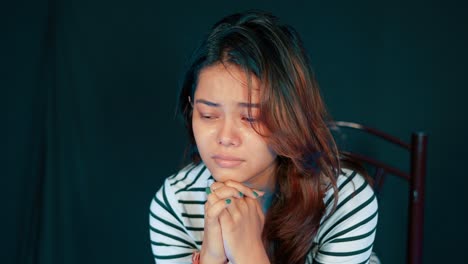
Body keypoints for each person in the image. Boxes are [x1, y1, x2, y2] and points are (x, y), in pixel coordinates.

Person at [149, 10, 378, 264]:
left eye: (250, 118)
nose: (225, 137)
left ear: (288, 117)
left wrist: (248, 253)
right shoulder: (176, 203)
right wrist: (212, 257)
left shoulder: (344, 198)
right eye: (208, 115)